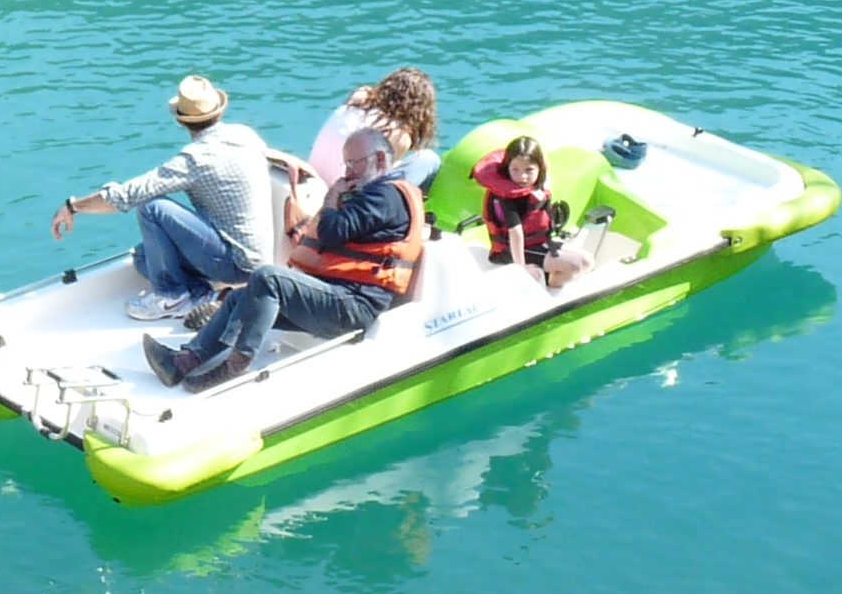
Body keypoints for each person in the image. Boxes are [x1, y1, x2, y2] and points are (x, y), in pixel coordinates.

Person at [145, 124, 426, 391]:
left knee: (268, 277)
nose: (349, 172)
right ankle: (182, 363)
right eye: (346, 165)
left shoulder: (385, 196)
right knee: (240, 298)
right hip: (337, 295)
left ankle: (236, 364)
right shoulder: (371, 192)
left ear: (379, 158)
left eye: (354, 163)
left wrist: (332, 197)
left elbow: (331, 232)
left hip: (353, 305)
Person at [51, 77, 301, 321]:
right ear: (219, 111)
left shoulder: (194, 159)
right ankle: (201, 295)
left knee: (152, 208)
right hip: (255, 256)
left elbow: (128, 195)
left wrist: (74, 206)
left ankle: (172, 297)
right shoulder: (245, 135)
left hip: (236, 262)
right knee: (143, 258)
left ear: (181, 121)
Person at [308, 67, 442, 189]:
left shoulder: (358, 99)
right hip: (342, 200)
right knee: (429, 159)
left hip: (314, 182)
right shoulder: (398, 135)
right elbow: (376, 184)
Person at [475, 133, 563, 268]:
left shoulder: (539, 186)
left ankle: (550, 281)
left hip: (538, 242)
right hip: (509, 252)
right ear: (507, 167)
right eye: (515, 170)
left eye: (529, 170)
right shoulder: (507, 196)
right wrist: (522, 269)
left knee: (586, 262)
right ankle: (546, 283)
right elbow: (515, 233)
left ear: (539, 169)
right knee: (572, 266)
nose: (523, 177)